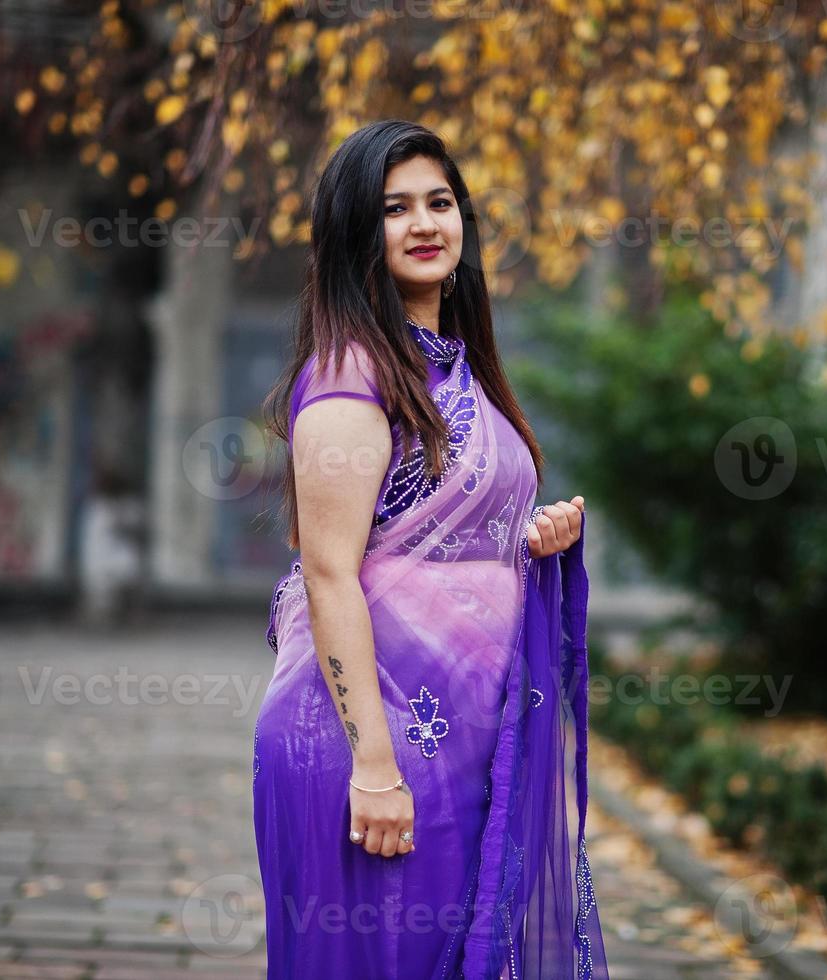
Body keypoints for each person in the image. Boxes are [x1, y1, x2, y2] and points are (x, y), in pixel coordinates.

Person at [254, 119, 610, 979]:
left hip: (464, 736)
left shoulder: (460, 372)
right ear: (354, 235)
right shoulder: (350, 375)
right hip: (365, 742)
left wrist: (538, 542)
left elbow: (449, 545)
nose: (424, 223)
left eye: (439, 202)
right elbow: (331, 570)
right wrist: (374, 767)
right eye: (393, 208)